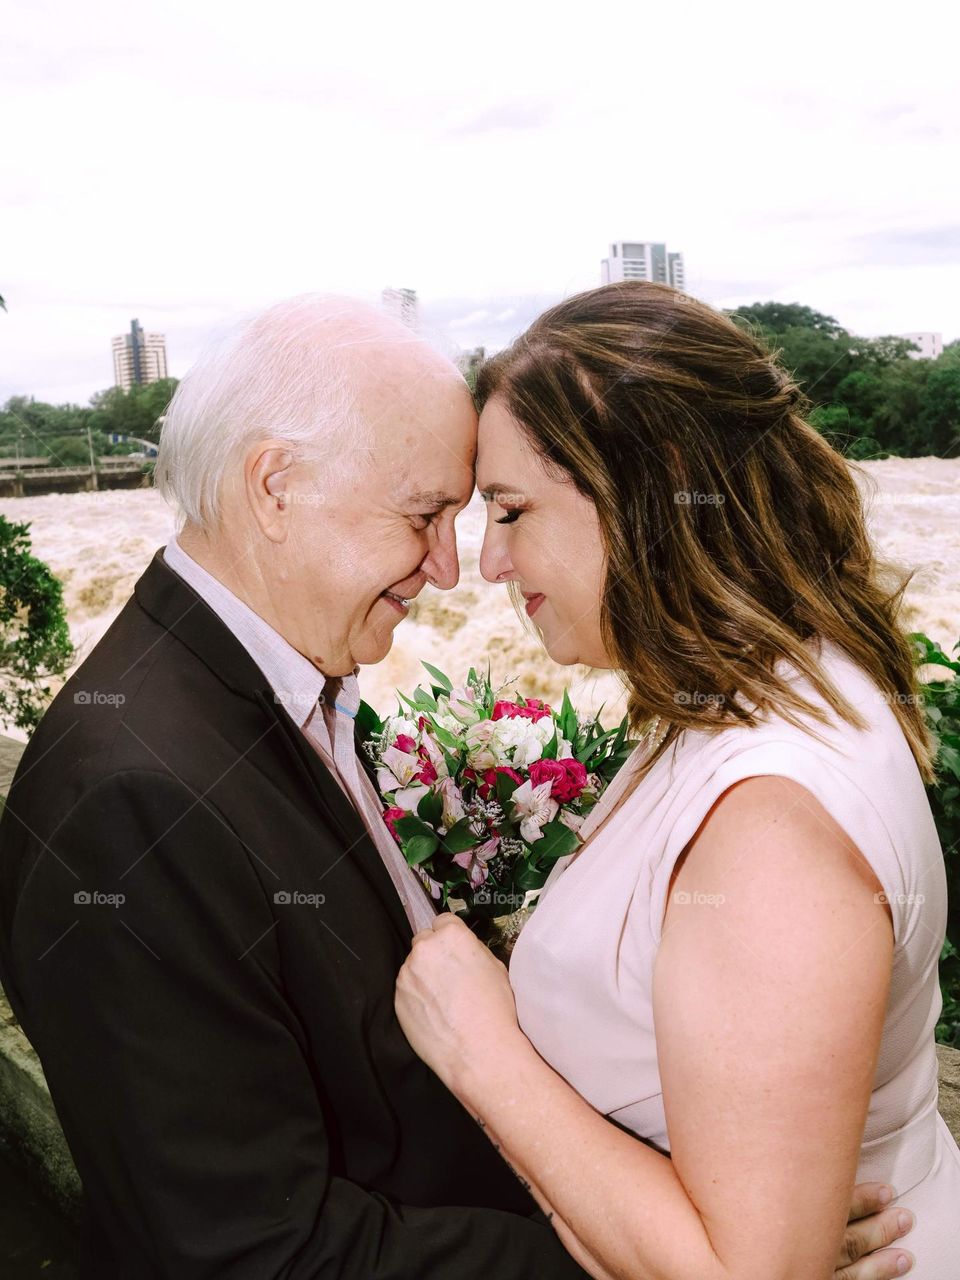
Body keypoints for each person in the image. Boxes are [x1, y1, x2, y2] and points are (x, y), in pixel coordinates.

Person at [0, 295, 913, 1278]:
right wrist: (638, 1252)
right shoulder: (132, 800)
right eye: (425, 513)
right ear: (275, 487)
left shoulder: (288, 684)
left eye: (484, 512)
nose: (451, 567)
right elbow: (251, 1248)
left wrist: (719, 1205)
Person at [395, 282, 958, 1278]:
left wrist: (483, 1053)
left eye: (512, 510)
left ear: (652, 486)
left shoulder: (768, 827)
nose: (487, 561)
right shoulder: (757, 685)